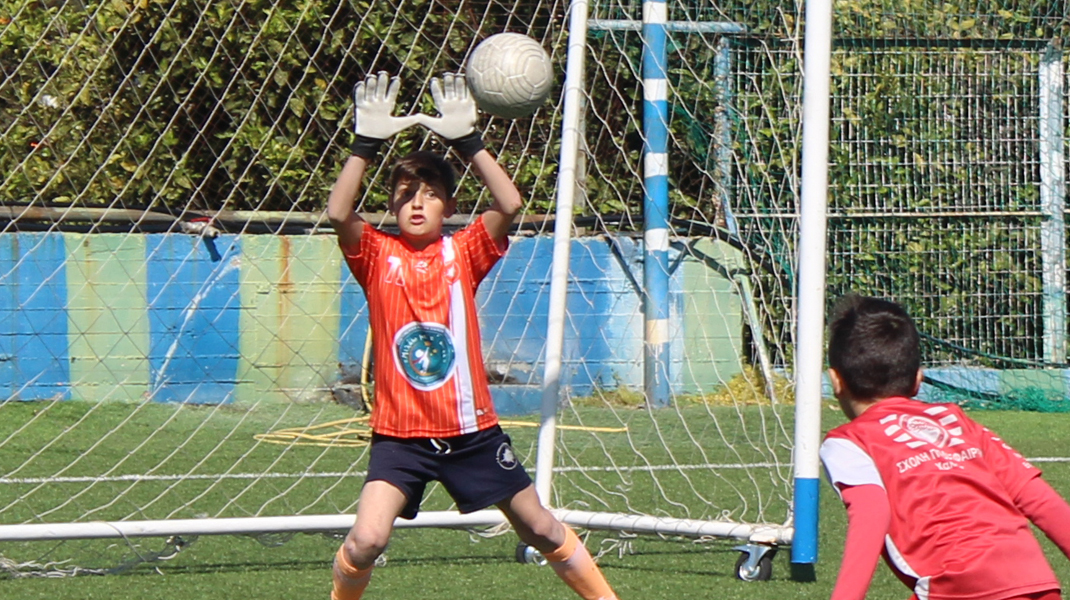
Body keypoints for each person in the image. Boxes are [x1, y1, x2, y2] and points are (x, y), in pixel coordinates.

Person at [326, 71, 620, 600]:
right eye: (406, 195)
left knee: (541, 528)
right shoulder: (375, 255)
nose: (418, 203)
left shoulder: (462, 252)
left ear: (449, 206)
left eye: (431, 194)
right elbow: (337, 212)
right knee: (366, 540)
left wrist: (469, 141)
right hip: (401, 439)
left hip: (472, 434)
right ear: (391, 206)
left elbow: (509, 204)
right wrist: (364, 145)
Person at [820, 294, 1070, 600]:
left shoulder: (848, 441)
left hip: (961, 587)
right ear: (918, 380)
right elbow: (1042, 502)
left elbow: (871, 513)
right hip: (1035, 583)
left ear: (836, 380)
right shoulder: (955, 422)